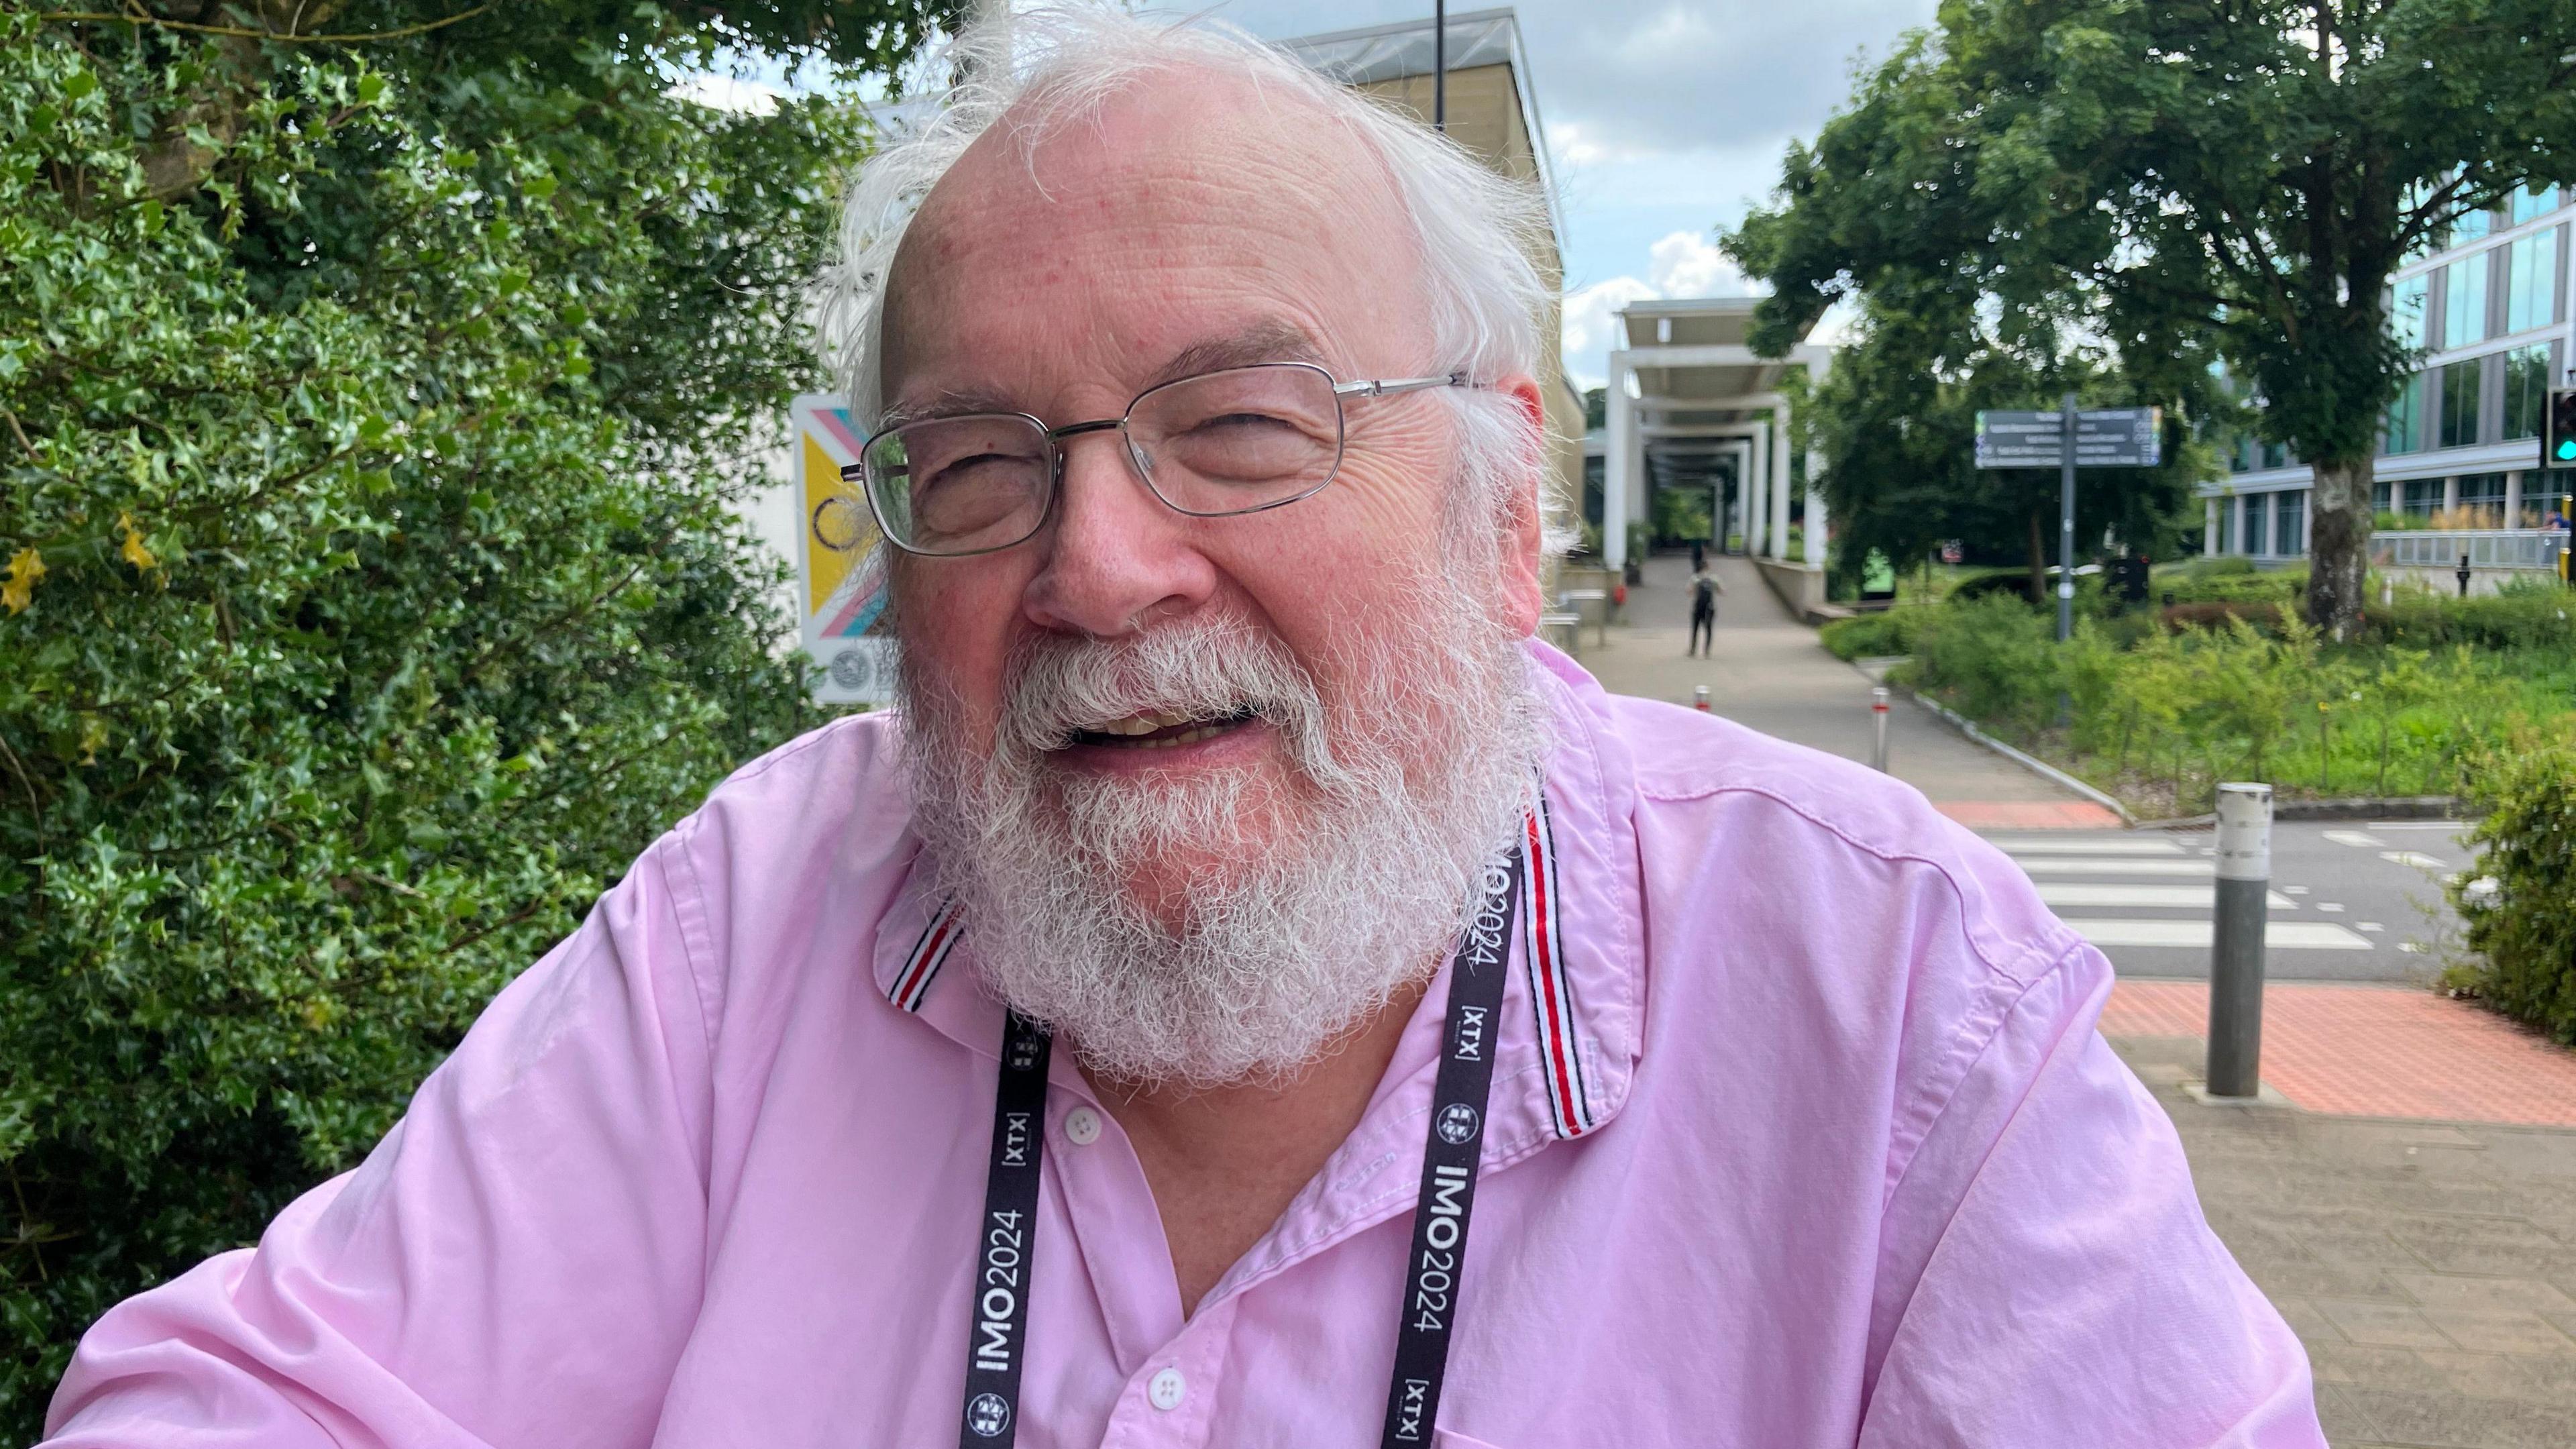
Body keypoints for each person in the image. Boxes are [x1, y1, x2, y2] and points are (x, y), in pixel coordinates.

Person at [40, 11, 2326, 1448]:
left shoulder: (1903, 1010)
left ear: (1508, 516)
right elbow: (226, 1395)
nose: (1098, 570)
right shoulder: (768, 913)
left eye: (1239, 427)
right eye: (974, 464)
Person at [1688, 558, 1723, 657]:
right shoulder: (1714, 578)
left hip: (1698, 607)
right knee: (1709, 628)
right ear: (1708, 567)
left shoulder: (1695, 578)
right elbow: (1722, 591)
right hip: (1709, 607)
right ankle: (1707, 650)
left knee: (1695, 628)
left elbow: (1689, 592)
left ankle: (1693, 649)